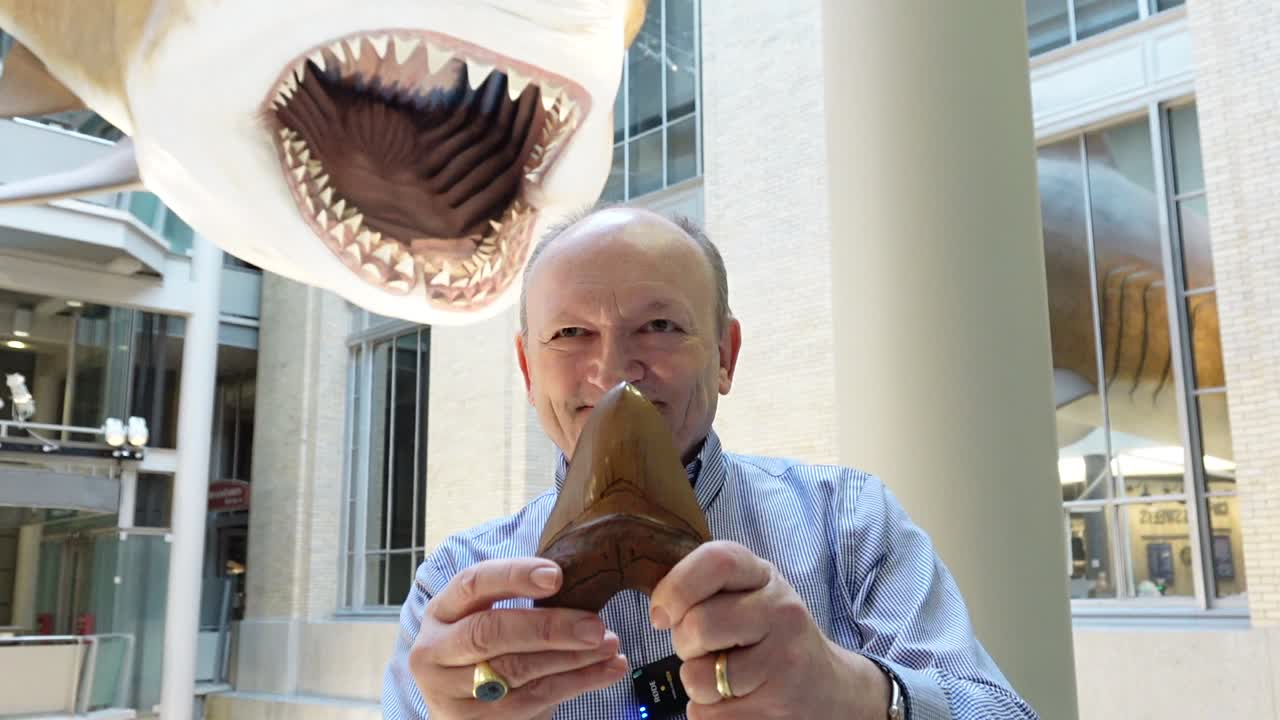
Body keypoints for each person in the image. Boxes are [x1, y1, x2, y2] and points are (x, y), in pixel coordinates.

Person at [381, 205, 1040, 720]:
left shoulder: (852, 527)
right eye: (570, 334)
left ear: (724, 354)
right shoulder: (455, 592)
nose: (613, 373)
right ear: (529, 369)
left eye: (660, 326)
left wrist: (856, 697)